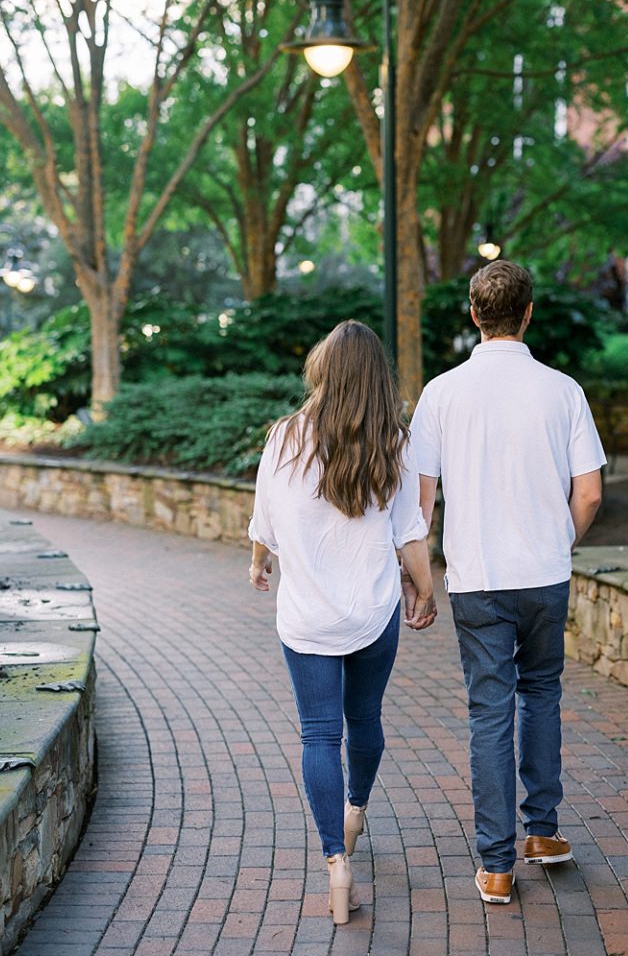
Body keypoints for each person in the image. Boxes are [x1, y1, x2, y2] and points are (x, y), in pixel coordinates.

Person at [410, 260, 605, 905]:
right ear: (528, 313)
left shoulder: (442, 393)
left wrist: (422, 579)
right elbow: (591, 491)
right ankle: (542, 832)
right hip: (545, 574)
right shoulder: (564, 390)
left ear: (474, 314)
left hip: (478, 578)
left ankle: (496, 866)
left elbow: (423, 498)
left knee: (489, 711)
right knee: (542, 694)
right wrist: (559, 539)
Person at [247, 320, 436, 925]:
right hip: (374, 612)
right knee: (366, 721)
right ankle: (356, 808)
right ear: (376, 376)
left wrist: (257, 565)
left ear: (321, 371)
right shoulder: (392, 443)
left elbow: (266, 524)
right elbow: (410, 535)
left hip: (306, 620)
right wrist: (425, 591)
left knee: (318, 735)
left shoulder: (284, 439)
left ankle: (335, 863)